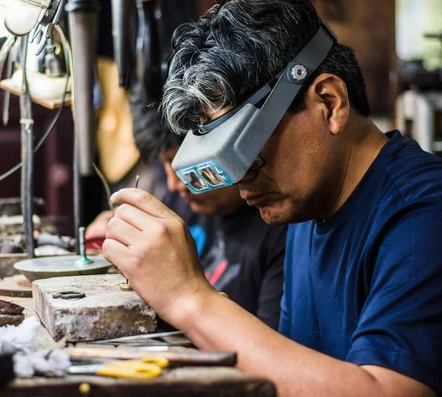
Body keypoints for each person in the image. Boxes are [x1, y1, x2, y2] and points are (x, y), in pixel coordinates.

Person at [101, 1, 442, 396]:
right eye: (221, 162)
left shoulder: (423, 212)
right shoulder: (305, 207)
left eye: (246, 153)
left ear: (329, 103)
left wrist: (191, 298)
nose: (238, 181)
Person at [89, 82, 288, 329]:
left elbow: (267, 352)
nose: (175, 185)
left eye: (183, 165)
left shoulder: (279, 230)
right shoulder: (182, 203)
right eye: (166, 166)